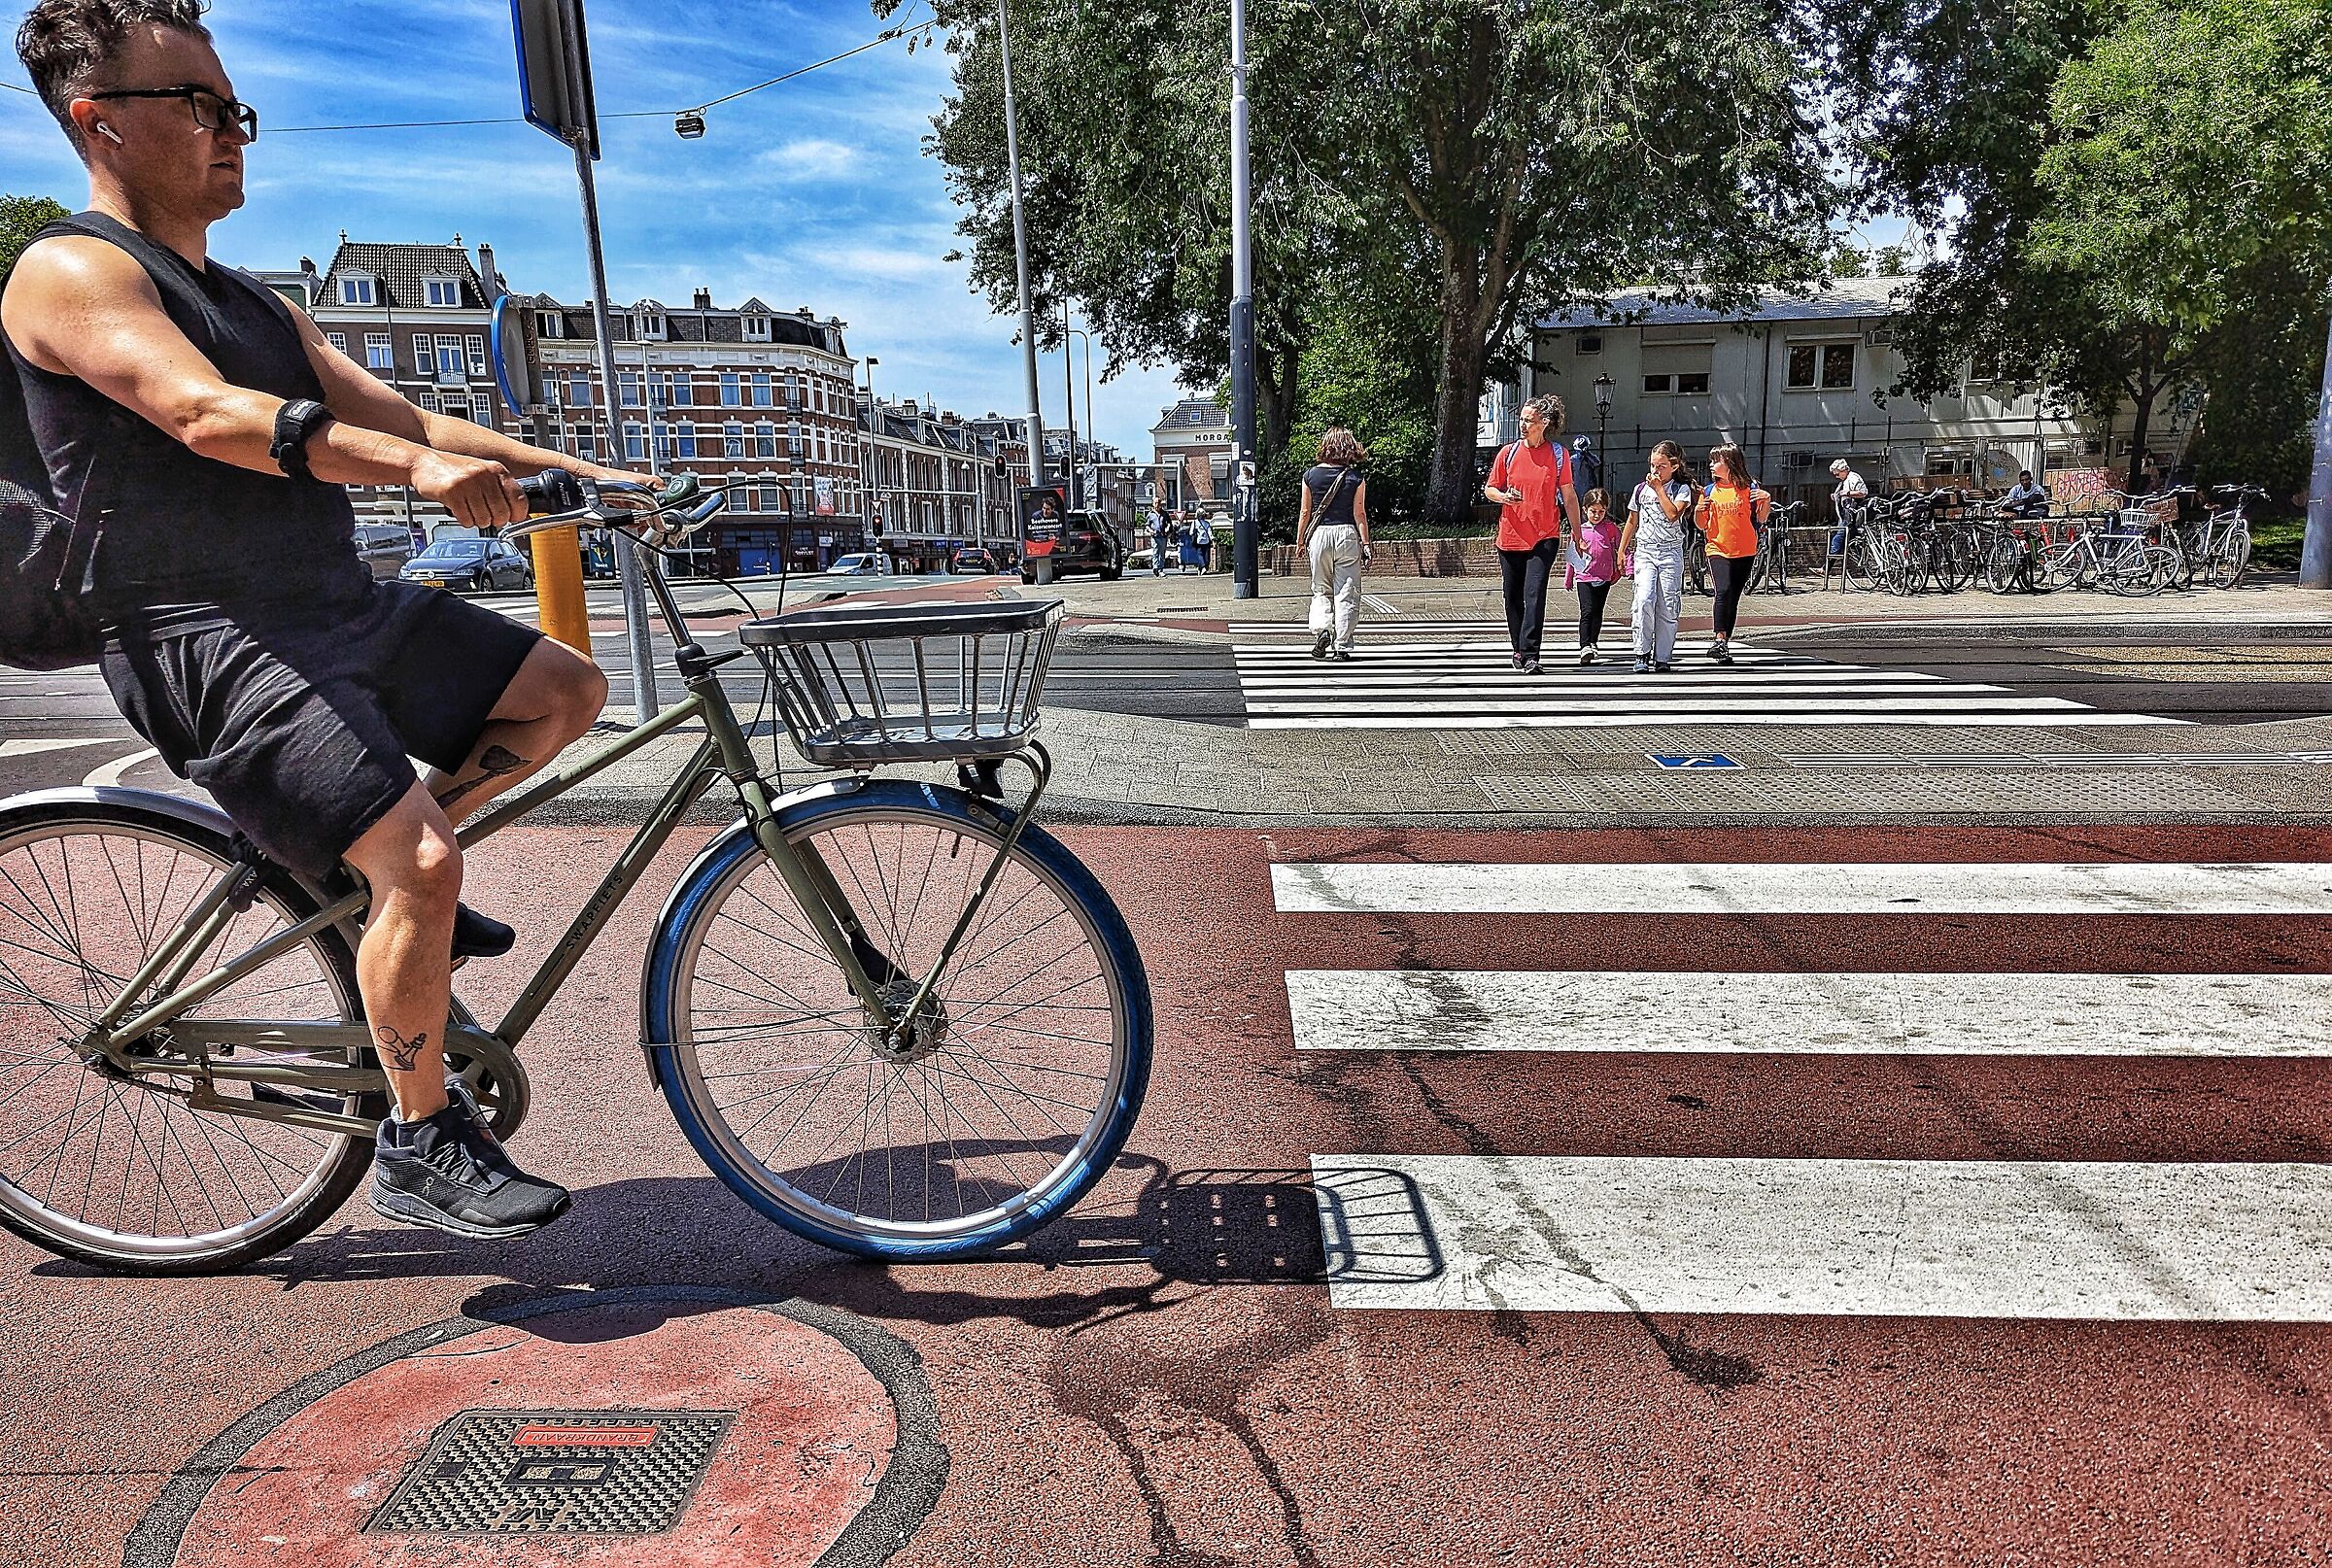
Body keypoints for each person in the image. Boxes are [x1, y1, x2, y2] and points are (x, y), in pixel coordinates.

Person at [4, 0, 645, 1240]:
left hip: (331, 603)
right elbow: (198, 413)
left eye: (233, 105)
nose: (230, 129)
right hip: (202, 634)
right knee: (420, 861)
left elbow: (410, 424)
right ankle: (419, 1138)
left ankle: (354, 885)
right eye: (194, 103)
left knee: (563, 691)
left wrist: (592, 479)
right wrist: (407, 477)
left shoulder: (255, 302)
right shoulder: (71, 270)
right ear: (98, 122)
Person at [1482, 393, 1582, 675]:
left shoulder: (1559, 455)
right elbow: (1490, 489)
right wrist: (1503, 497)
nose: (1523, 425)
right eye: (1522, 420)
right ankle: (1517, 647)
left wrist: (1577, 532)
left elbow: (1569, 496)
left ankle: (1530, 653)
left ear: (1544, 423)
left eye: (1529, 420)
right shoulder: (1508, 453)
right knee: (1512, 596)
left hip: (1544, 536)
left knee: (1534, 593)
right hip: (1511, 536)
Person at [1619, 441, 1696, 673]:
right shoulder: (1641, 489)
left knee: (1667, 603)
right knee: (1644, 599)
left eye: (1661, 466)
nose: (1655, 471)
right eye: (1653, 465)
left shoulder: (1682, 490)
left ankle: (1662, 656)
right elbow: (1633, 520)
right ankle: (1641, 651)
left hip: (1670, 552)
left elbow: (1673, 514)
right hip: (1646, 550)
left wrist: (1660, 489)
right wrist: (1622, 550)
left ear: (1674, 465)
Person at [1296, 426, 1370, 661]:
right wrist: (1366, 543)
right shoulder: (1355, 478)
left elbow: (1305, 511)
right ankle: (1342, 645)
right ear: (1348, 448)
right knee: (1347, 591)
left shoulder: (1310, 476)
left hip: (1318, 536)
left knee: (1320, 589)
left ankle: (1323, 630)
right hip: (1346, 534)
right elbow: (1360, 513)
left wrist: (1300, 541)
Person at [1695, 445, 1768, 666]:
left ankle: (1725, 643)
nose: (1711, 465)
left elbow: (1761, 518)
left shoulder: (1749, 488)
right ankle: (1718, 638)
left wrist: (1766, 499)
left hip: (1745, 550)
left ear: (1729, 463)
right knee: (1723, 590)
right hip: (1717, 548)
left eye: (1715, 461)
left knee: (1733, 597)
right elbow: (1701, 525)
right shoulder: (1708, 491)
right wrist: (1699, 510)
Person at [1564, 488, 1622, 666]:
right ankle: (1584, 646)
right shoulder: (1579, 530)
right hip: (1584, 577)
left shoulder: (1611, 529)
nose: (1597, 515)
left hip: (1604, 576)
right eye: (1593, 511)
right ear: (1585, 510)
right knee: (1587, 611)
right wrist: (1569, 577)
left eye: (1601, 512)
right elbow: (1573, 556)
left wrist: (1624, 568)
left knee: (1598, 612)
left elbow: (1620, 550)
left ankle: (1593, 641)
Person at [1146, 496, 1168, 574]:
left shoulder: (1164, 514)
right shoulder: (1150, 515)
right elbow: (1147, 525)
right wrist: (1150, 531)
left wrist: (1167, 529)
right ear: (1153, 504)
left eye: (1158, 503)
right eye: (1155, 503)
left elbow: (1169, 524)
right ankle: (1156, 568)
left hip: (1163, 536)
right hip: (1155, 536)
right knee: (1155, 552)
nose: (1157, 505)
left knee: (1162, 553)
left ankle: (1161, 569)